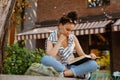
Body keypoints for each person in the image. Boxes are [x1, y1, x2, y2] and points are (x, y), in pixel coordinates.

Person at [41, 11, 99, 79]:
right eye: (67, 29)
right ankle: (72, 73)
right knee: (45, 59)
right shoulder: (51, 38)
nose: (69, 33)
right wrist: (59, 41)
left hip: (72, 65)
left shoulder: (73, 37)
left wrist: (90, 56)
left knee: (93, 64)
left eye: (71, 30)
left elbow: (82, 54)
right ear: (60, 25)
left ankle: (65, 74)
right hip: (59, 66)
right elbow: (50, 55)